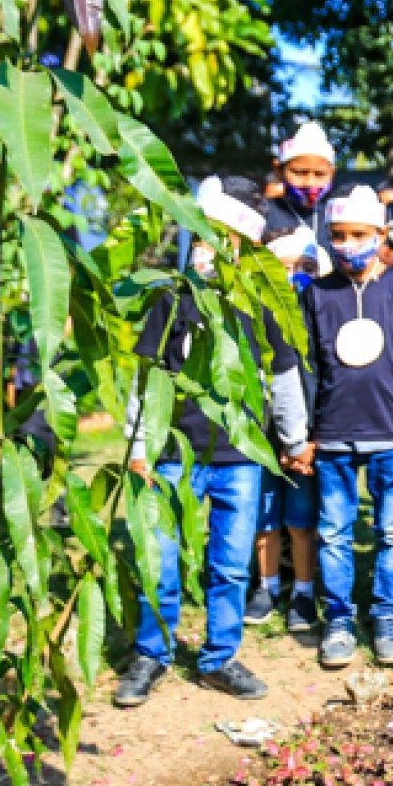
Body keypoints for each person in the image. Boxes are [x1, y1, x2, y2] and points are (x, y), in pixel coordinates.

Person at [114, 177, 310, 708]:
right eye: (202, 234)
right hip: (173, 452)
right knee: (161, 555)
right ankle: (151, 653)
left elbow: (285, 372)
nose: (208, 245)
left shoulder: (260, 300)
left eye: (221, 235)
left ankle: (220, 656)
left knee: (229, 562)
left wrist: (294, 439)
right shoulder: (172, 298)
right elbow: (145, 373)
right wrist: (138, 445)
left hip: (239, 457)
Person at [299, 185, 393, 671]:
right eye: (338, 235)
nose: (347, 243)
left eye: (359, 234)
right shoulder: (317, 294)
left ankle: (388, 616)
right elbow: (309, 367)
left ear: (381, 234)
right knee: (334, 532)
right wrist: (307, 431)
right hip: (334, 434)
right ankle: (338, 619)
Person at [256, 226, 323, 635]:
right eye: (285, 268)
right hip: (262, 435)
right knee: (264, 515)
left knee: (301, 519)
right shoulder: (256, 314)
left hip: (309, 439)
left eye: (306, 267)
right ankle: (264, 586)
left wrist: (305, 438)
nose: (296, 275)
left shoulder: (321, 315)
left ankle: (303, 588)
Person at [262, 121, 339, 271]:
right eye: (299, 172)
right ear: (278, 170)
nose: (310, 183)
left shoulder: (334, 217)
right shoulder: (263, 213)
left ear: (332, 173)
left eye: (320, 174)